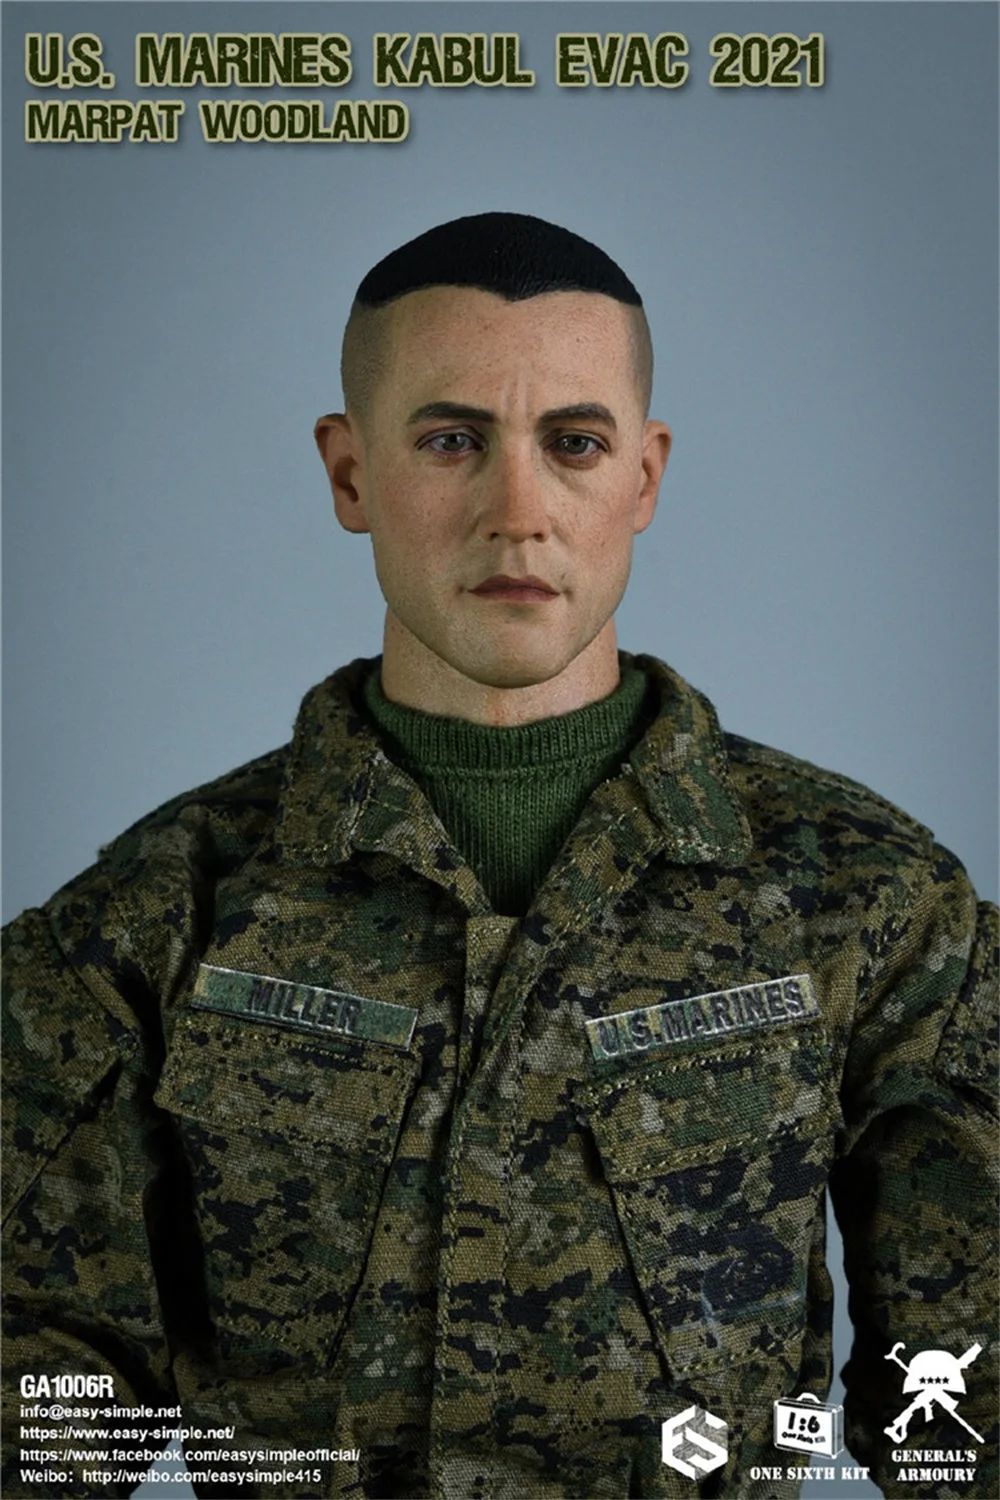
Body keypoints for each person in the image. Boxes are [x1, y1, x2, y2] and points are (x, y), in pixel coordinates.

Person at [2, 213, 996, 1500]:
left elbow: (963, 1411)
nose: (516, 514)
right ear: (350, 474)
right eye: (451, 441)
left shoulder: (867, 898)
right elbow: (44, 1403)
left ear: (643, 477)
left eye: (573, 444)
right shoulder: (156, 919)